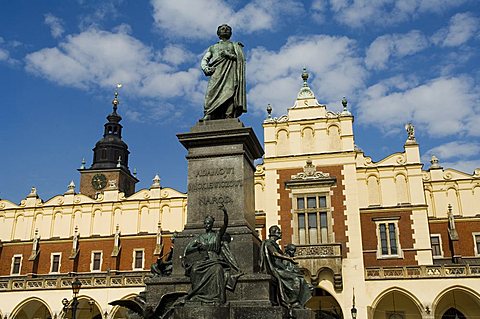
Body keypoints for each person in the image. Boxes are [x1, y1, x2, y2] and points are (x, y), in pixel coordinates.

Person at [182, 204, 241, 304]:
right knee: (195, 269)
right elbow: (188, 248)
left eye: (209, 223)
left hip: (214, 259)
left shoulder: (217, 235)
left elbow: (225, 225)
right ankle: (198, 294)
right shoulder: (200, 237)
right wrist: (197, 247)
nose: (207, 225)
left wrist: (225, 213)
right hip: (202, 260)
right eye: (205, 223)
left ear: (212, 224)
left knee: (218, 269)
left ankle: (216, 297)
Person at [201, 24, 246, 120]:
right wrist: (205, 68)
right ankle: (209, 113)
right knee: (211, 93)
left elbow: (241, 59)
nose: (225, 30)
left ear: (230, 33)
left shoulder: (234, 46)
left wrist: (228, 55)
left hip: (230, 72)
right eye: (222, 29)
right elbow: (205, 59)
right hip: (216, 73)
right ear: (218, 33)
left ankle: (228, 114)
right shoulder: (213, 47)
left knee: (230, 92)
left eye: (227, 29)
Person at [260, 226, 312, 310]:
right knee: (295, 279)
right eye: (278, 231)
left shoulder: (275, 244)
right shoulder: (268, 243)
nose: (280, 233)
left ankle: (298, 302)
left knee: (300, 278)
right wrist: (289, 258)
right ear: (273, 233)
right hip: (275, 269)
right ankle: (292, 302)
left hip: (281, 267)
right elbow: (274, 254)